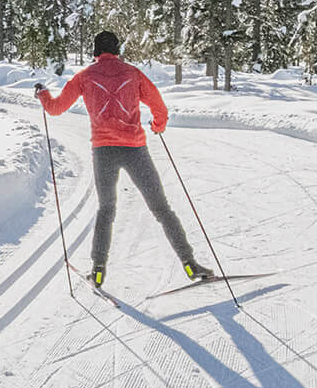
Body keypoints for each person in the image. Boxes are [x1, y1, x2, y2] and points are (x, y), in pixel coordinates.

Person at [37, 31, 213, 290]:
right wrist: (157, 125)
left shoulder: (84, 77)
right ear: (117, 50)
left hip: (103, 151)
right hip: (135, 149)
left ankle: (97, 271)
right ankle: (190, 263)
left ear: (95, 51)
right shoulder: (132, 73)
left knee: (106, 210)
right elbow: (160, 109)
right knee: (161, 208)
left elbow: (55, 109)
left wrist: (42, 94)